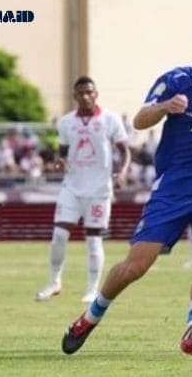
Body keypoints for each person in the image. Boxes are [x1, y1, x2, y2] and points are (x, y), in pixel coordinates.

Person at [61, 29, 192, 356]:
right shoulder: (177, 81)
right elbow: (139, 120)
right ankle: (90, 317)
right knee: (136, 267)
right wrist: (166, 106)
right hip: (173, 191)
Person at [36, 76, 130, 303]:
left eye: (89, 92)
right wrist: (60, 161)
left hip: (99, 190)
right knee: (58, 235)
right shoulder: (66, 122)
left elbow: (124, 150)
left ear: (95, 94)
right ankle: (54, 282)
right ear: (75, 96)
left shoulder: (110, 119)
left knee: (93, 239)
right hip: (72, 187)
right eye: (81, 93)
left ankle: (91, 289)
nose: (85, 96)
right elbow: (63, 150)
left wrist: (123, 171)